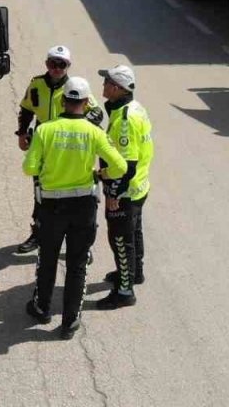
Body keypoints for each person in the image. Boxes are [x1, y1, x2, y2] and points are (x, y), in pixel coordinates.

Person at [23, 77, 127, 339]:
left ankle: (41, 308)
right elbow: (120, 167)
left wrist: (49, 168)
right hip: (83, 206)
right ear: (85, 102)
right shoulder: (94, 132)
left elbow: (29, 168)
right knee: (77, 264)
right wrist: (99, 174)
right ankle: (69, 322)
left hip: (51, 206)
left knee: (47, 259)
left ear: (62, 100)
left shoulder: (45, 130)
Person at [14, 45, 104, 254]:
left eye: (61, 64)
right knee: (40, 192)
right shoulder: (36, 84)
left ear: (68, 66)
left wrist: (78, 123)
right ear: (47, 64)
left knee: (78, 196)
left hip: (69, 146)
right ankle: (38, 234)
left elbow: (97, 113)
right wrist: (21, 134)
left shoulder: (75, 87)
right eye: (53, 63)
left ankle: (83, 245)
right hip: (44, 143)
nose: (56, 68)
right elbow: (26, 109)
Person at [94, 64, 155, 310]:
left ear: (117, 88)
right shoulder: (132, 108)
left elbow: (126, 166)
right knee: (134, 233)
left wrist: (113, 193)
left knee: (120, 239)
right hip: (139, 187)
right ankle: (134, 273)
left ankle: (124, 290)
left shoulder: (125, 120)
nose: (103, 85)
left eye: (107, 81)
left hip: (127, 190)